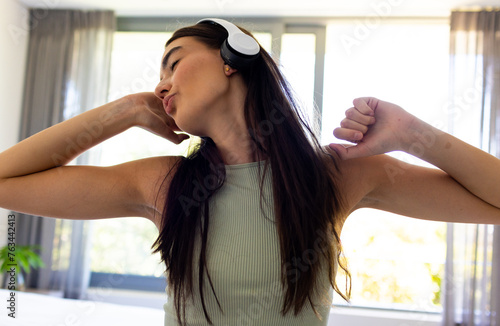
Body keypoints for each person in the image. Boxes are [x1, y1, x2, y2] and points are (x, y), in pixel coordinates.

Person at [0, 18, 499, 326]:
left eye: (173, 63)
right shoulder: (162, 183)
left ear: (233, 59)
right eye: (156, 79)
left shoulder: (339, 174)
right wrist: (126, 110)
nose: (161, 87)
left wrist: (413, 134)